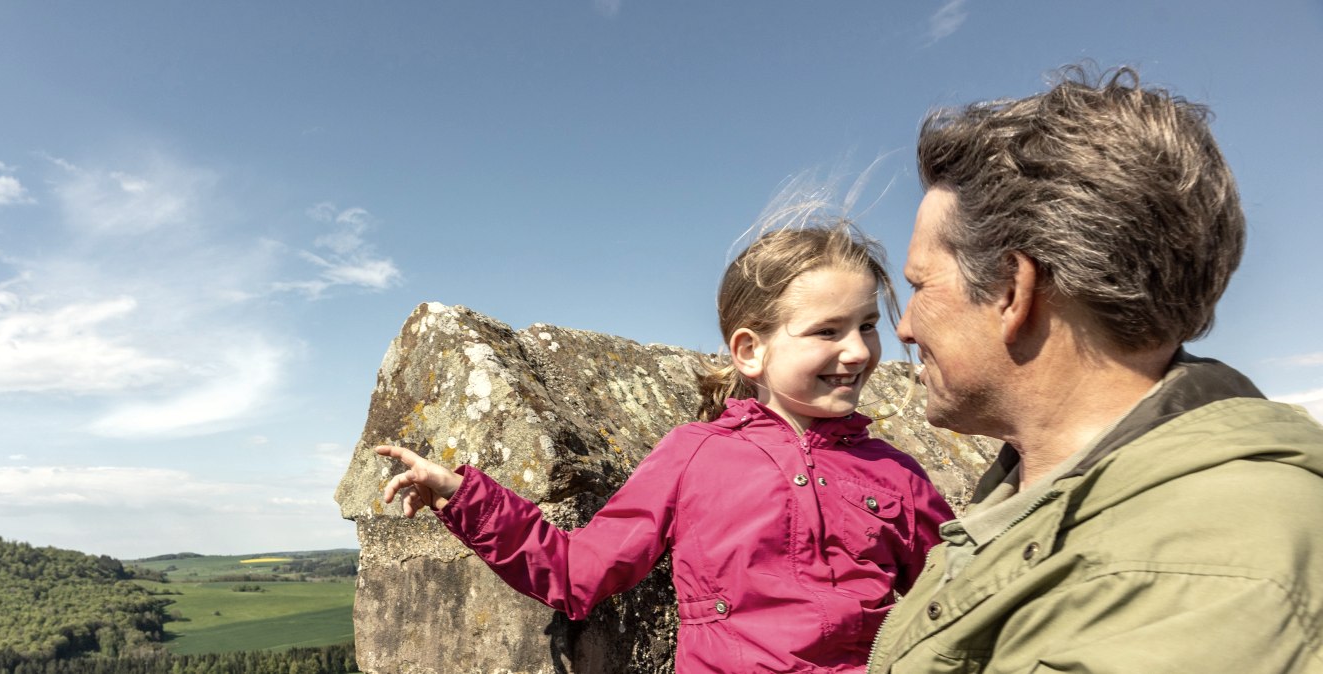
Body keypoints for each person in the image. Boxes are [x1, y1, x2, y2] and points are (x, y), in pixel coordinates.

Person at [866, 66, 1323, 673]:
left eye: (921, 285)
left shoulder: (1201, 576)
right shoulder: (1039, 494)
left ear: (1011, 289)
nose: (904, 327)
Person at [377, 217, 956, 673]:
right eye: (828, 331)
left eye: (867, 325)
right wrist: (460, 494)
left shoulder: (897, 475)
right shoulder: (693, 456)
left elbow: (960, 600)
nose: (857, 351)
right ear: (751, 350)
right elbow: (578, 573)